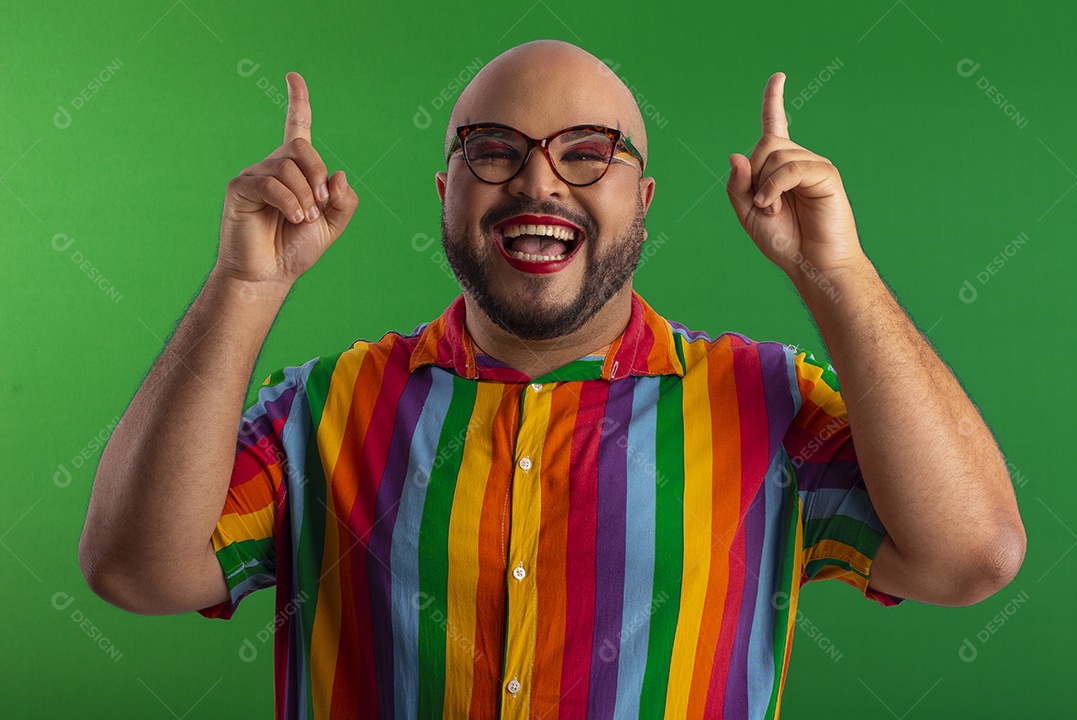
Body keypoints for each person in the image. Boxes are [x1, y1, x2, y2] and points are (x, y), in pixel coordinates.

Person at [80, 40, 1026, 719]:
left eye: (587, 152)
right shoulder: (323, 407)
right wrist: (245, 284)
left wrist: (838, 272)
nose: (539, 183)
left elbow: (970, 556)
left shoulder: (767, 405)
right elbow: (135, 571)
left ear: (642, 202)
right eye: (493, 150)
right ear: (446, 192)